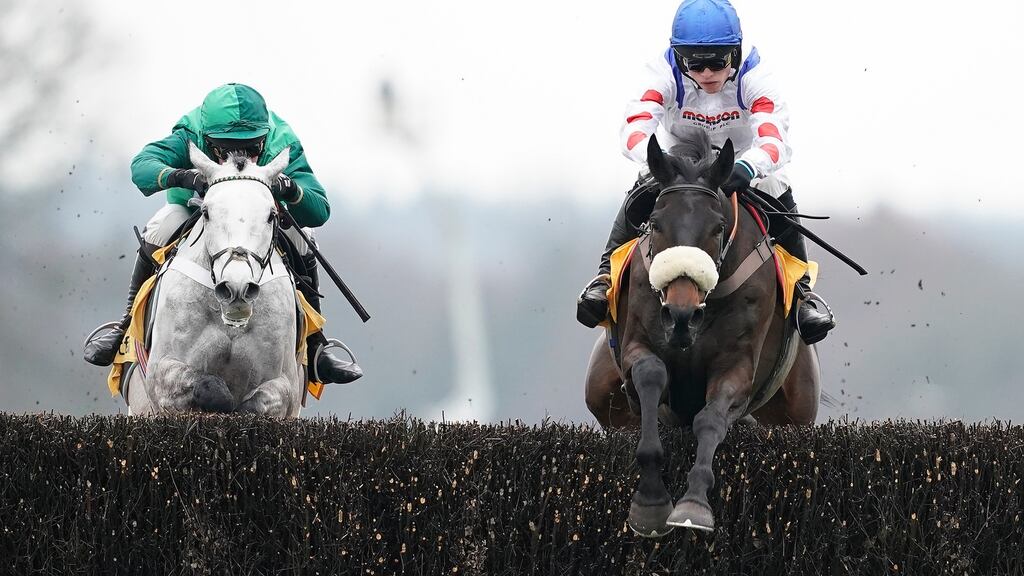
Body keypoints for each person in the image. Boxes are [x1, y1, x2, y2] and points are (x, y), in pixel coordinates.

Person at [575, 0, 835, 344]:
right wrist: (657, 163)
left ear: (736, 53)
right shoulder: (660, 73)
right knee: (645, 183)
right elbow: (635, 126)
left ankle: (803, 294)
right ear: (678, 58)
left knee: (774, 182)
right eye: (695, 64)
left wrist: (748, 167)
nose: (707, 73)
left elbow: (774, 141)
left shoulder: (757, 79)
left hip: (740, 159)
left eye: (718, 62)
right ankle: (604, 279)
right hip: (680, 159)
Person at [83, 83, 362, 383]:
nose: (239, 158)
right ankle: (125, 327)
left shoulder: (283, 139)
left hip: (256, 220)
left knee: (302, 235)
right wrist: (182, 176)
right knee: (161, 226)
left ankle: (316, 346)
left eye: (253, 148)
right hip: (197, 209)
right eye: (224, 149)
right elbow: (141, 167)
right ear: (207, 138)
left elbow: (319, 208)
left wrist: (289, 189)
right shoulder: (191, 131)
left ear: (265, 137)